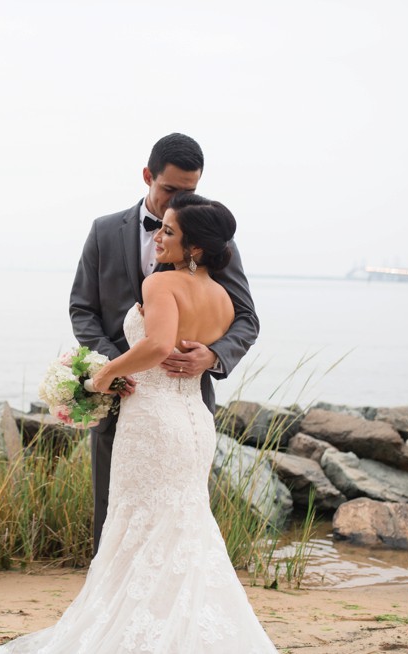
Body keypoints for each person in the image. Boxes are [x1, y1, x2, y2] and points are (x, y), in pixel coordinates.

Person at [0, 193, 276, 653]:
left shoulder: (161, 285)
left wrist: (104, 374)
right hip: (194, 422)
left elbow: (159, 346)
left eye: (169, 232)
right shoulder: (223, 298)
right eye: (160, 228)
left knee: (134, 522)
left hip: (153, 424)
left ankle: (132, 634)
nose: (159, 238)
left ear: (195, 248)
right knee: (184, 524)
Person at [70, 133, 259, 553]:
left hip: (181, 402)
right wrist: (118, 369)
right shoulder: (103, 231)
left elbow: (246, 317)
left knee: (178, 513)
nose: (180, 198)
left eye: (190, 191)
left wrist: (212, 355)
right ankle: (113, 600)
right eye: (171, 189)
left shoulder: (212, 242)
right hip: (120, 396)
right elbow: (82, 309)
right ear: (147, 177)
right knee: (113, 505)